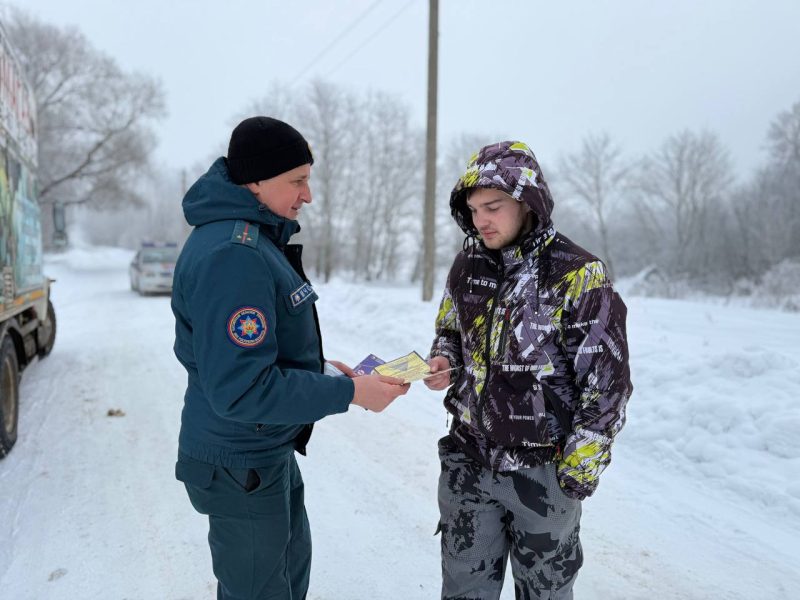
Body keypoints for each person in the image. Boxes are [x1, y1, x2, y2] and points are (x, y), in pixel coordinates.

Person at [171, 116, 408, 600]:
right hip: (241, 462)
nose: (308, 195)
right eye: (297, 180)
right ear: (255, 180)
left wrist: (320, 371)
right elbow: (241, 388)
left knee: (287, 578)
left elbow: (254, 356)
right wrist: (349, 392)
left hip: (262, 452)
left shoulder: (253, 239)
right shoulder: (232, 254)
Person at [425, 141, 633, 599]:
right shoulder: (468, 264)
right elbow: (450, 331)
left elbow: (607, 384)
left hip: (542, 472)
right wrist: (444, 359)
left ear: (527, 201)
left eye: (494, 207)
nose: (482, 220)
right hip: (468, 460)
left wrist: (573, 477)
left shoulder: (577, 275)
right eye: (475, 209)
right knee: (463, 590)